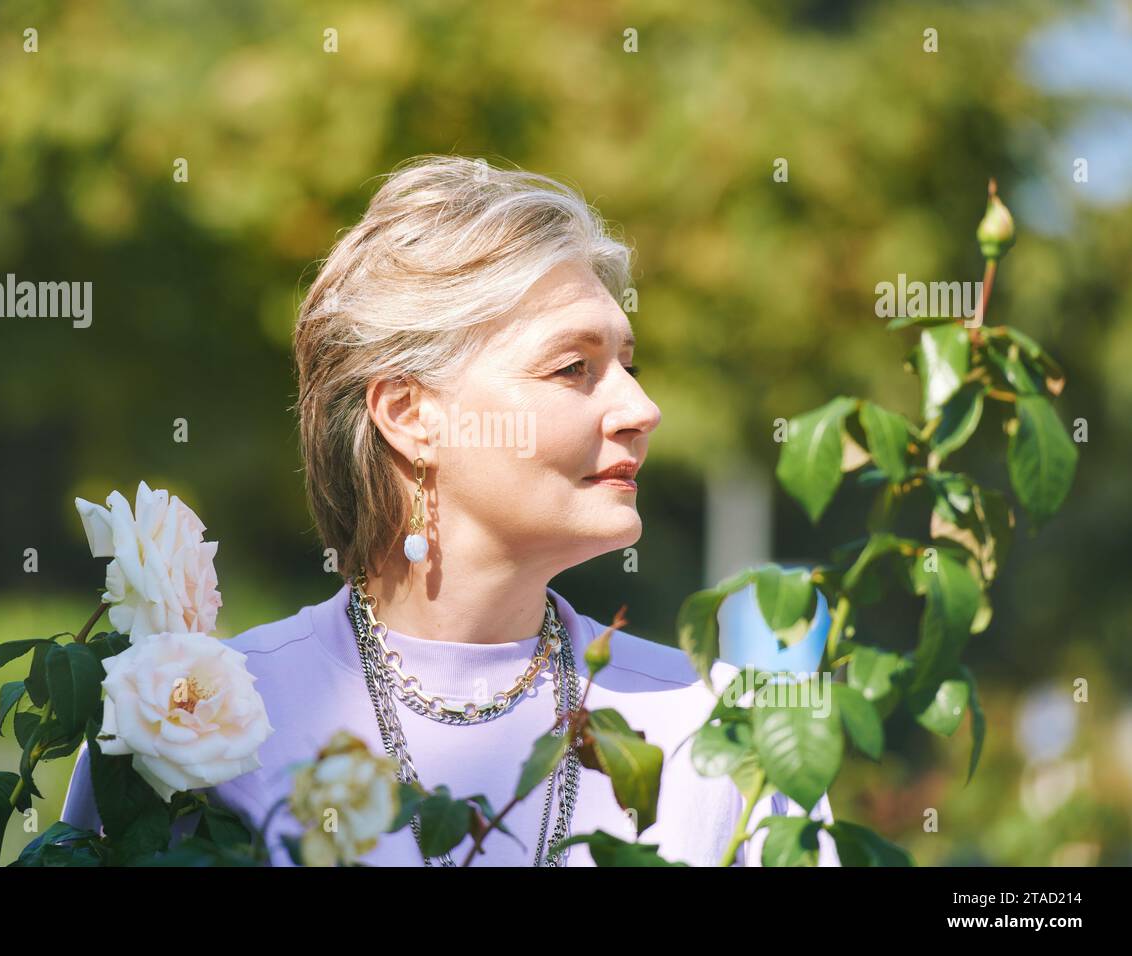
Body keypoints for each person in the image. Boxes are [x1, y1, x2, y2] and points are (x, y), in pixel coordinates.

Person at [61, 154, 840, 866]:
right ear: (409, 414)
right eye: (575, 368)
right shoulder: (192, 723)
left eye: (628, 365)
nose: (642, 407)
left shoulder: (724, 727)